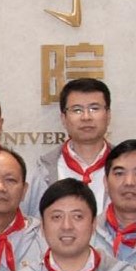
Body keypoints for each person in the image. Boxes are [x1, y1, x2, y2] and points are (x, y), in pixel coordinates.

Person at [27, 78, 112, 217]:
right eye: (77, 110)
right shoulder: (42, 171)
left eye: (94, 109)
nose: (86, 117)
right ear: (63, 118)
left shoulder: (125, 166)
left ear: (108, 115)